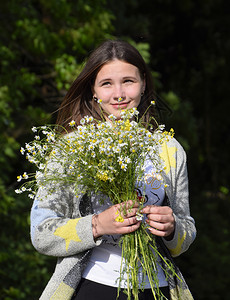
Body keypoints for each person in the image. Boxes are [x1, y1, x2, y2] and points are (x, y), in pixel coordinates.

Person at [30, 39, 196, 300]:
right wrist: (97, 225)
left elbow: (185, 231)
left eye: (128, 81)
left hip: (157, 288)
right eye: (107, 83)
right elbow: (41, 233)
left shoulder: (170, 149)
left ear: (143, 85)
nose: (118, 93)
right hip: (89, 286)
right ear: (93, 91)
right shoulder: (72, 148)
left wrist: (173, 227)